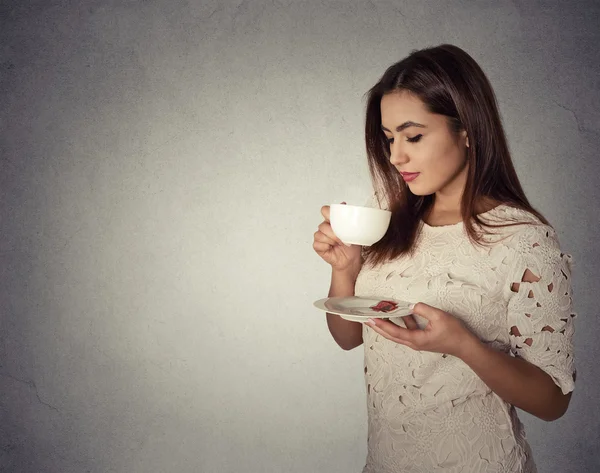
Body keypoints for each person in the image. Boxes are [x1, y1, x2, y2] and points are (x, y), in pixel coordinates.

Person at [312, 44, 576, 473]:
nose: (396, 156)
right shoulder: (391, 217)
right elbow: (349, 337)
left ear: (467, 129)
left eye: (413, 136)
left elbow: (553, 401)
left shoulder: (524, 241)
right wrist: (345, 269)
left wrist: (464, 345)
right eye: (389, 138)